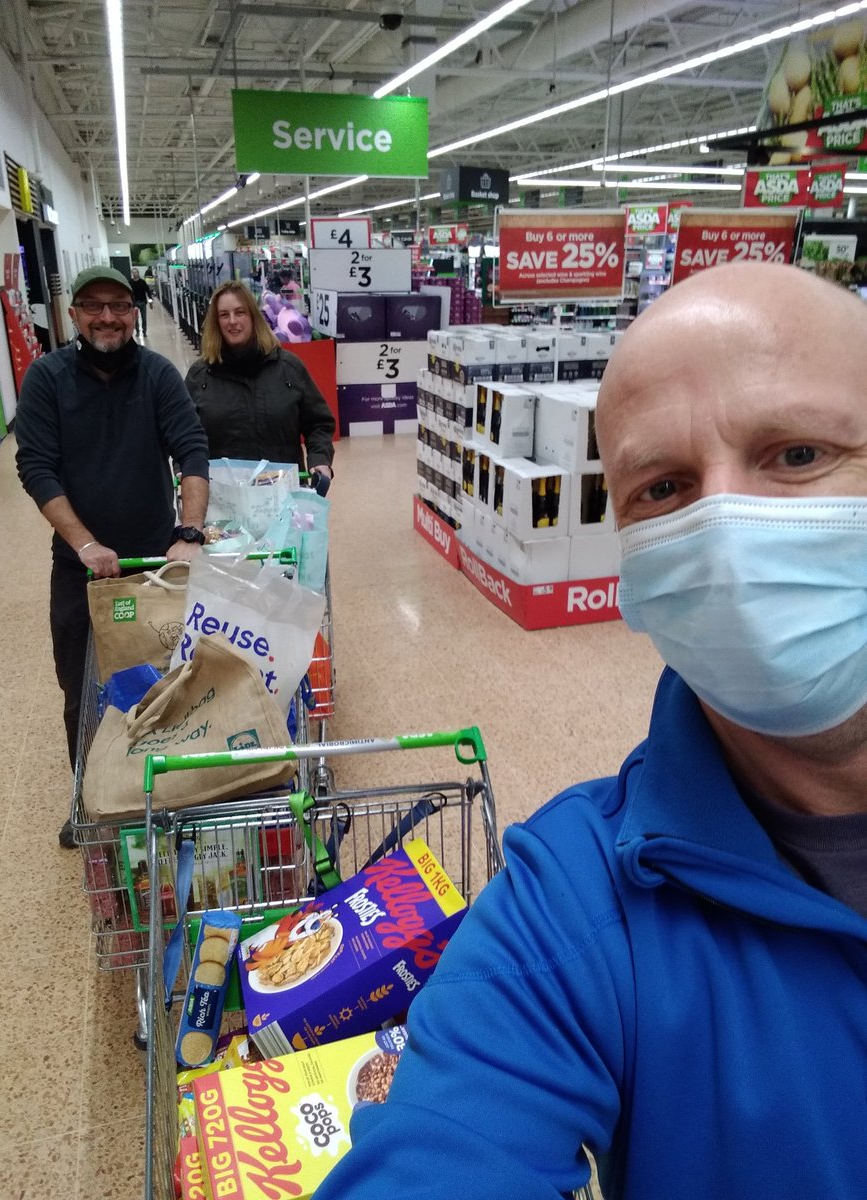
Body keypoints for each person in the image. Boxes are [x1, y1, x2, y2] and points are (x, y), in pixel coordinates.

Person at [313, 262, 867, 1200]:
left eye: (797, 454)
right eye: (662, 488)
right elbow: (443, 1147)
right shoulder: (572, 909)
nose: (727, 533)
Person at [15, 266, 210, 847]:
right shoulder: (47, 378)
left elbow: (192, 450)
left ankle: (165, 794)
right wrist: (84, 543)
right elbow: (36, 467)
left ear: (135, 312)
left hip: (154, 566)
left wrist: (190, 531)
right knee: (83, 689)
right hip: (79, 568)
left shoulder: (157, 374)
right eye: (93, 306)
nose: (107, 317)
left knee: (163, 683)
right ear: (73, 315)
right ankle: (89, 798)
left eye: (119, 305)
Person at [185, 280, 335, 480]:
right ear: (216, 322)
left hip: (282, 495)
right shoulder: (199, 376)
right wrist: (184, 468)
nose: (232, 321)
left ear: (253, 317)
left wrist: (319, 460)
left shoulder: (288, 368)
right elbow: (183, 432)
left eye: (240, 312)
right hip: (222, 498)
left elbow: (319, 423)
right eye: (224, 315)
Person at [130, 266, 153, 337]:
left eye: (136, 272)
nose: (134, 274)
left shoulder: (142, 282)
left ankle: (144, 331)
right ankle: (137, 331)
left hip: (142, 302)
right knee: (136, 319)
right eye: (133, 272)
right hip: (134, 303)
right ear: (132, 274)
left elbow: (148, 291)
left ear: (138, 273)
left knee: (144, 318)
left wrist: (150, 301)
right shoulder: (130, 282)